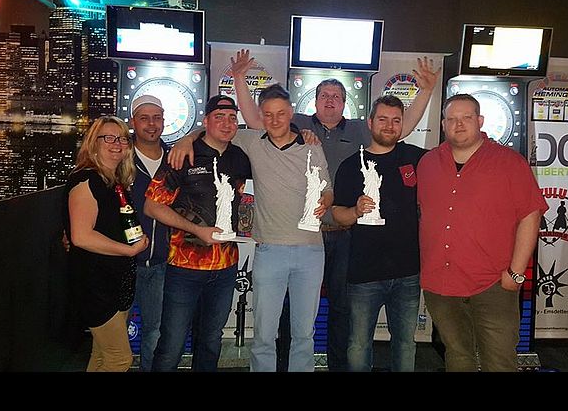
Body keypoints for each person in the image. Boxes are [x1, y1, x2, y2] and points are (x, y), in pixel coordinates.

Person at [169, 48, 441, 371]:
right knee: (272, 327)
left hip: (336, 235)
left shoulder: (355, 131)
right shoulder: (279, 131)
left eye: (336, 96)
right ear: (312, 102)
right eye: (324, 95)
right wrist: (188, 137)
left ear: (345, 104)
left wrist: (426, 91)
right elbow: (232, 126)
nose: (330, 101)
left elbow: (398, 128)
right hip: (282, 243)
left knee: (331, 316)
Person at [169, 85, 333, 371]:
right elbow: (214, 131)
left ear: (291, 113)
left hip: (311, 250)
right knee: (264, 334)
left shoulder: (311, 145)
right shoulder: (252, 141)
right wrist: (186, 138)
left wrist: (325, 201)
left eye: (280, 113)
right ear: (260, 116)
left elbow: (327, 188)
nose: (275, 120)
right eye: (268, 114)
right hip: (269, 250)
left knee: (304, 334)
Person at [417, 93, 548, 372]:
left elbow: (530, 215)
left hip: (493, 284)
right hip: (441, 283)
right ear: (443, 124)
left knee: (499, 362)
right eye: (452, 119)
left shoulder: (509, 162)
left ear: (480, 121)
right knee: (458, 356)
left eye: (466, 117)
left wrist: (516, 273)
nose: (459, 124)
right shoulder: (427, 163)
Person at [144, 95, 251, 372]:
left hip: (226, 267)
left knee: (211, 342)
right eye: (219, 117)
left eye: (232, 118)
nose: (226, 123)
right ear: (206, 121)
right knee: (171, 345)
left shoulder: (240, 158)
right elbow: (152, 206)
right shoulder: (184, 155)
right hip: (184, 267)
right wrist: (196, 230)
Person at [331, 95, 426, 371]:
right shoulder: (351, 165)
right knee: (359, 345)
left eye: (396, 120)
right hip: (364, 274)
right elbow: (337, 214)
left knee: (405, 344)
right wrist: (355, 210)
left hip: (408, 273)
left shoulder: (415, 157)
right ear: (370, 123)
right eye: (383, 119)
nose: (389, 126)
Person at [63, 116, 149, 372]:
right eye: (108, 138)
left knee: (101, 355)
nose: (116, 144)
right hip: (96, 284)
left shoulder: (113, 181)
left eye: (122, 138)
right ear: (93, 143)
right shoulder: (87, 180)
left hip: (116, 280)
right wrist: (129, 250)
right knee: (119, 359)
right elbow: (81, 236)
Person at [129, 94, 171, 372]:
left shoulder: (175, 159)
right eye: (144, 118)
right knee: (114, 331)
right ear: (133, 122)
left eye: (157, 118)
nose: (151, 124)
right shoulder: (120, 156)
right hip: (122, 261)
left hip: (161, 263)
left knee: (155, 331)